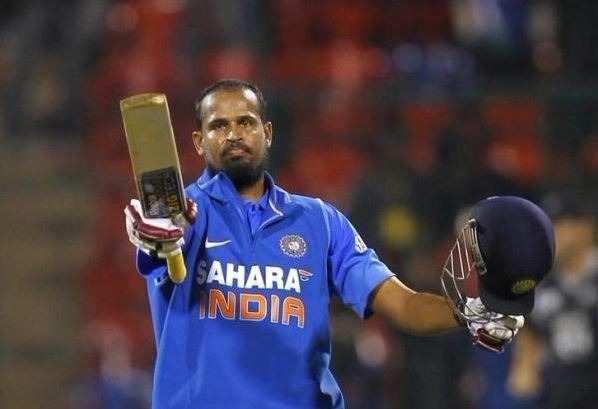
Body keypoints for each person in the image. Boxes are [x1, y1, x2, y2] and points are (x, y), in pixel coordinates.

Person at [123, 78, 554, 409]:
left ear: (267, 133)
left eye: (245, 122)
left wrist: (469, 313)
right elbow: (162, 233)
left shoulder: (319, 222)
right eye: (219, 125)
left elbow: (403, 304)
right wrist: (154, 233)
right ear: (199, 142)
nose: (234, 133)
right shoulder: (187, 213)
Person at [508, 192, 598, 409]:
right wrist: (525, 363)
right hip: (560, 399)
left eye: (558, 225)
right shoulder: (538, 289)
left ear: (585, 228)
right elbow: (523, 376)